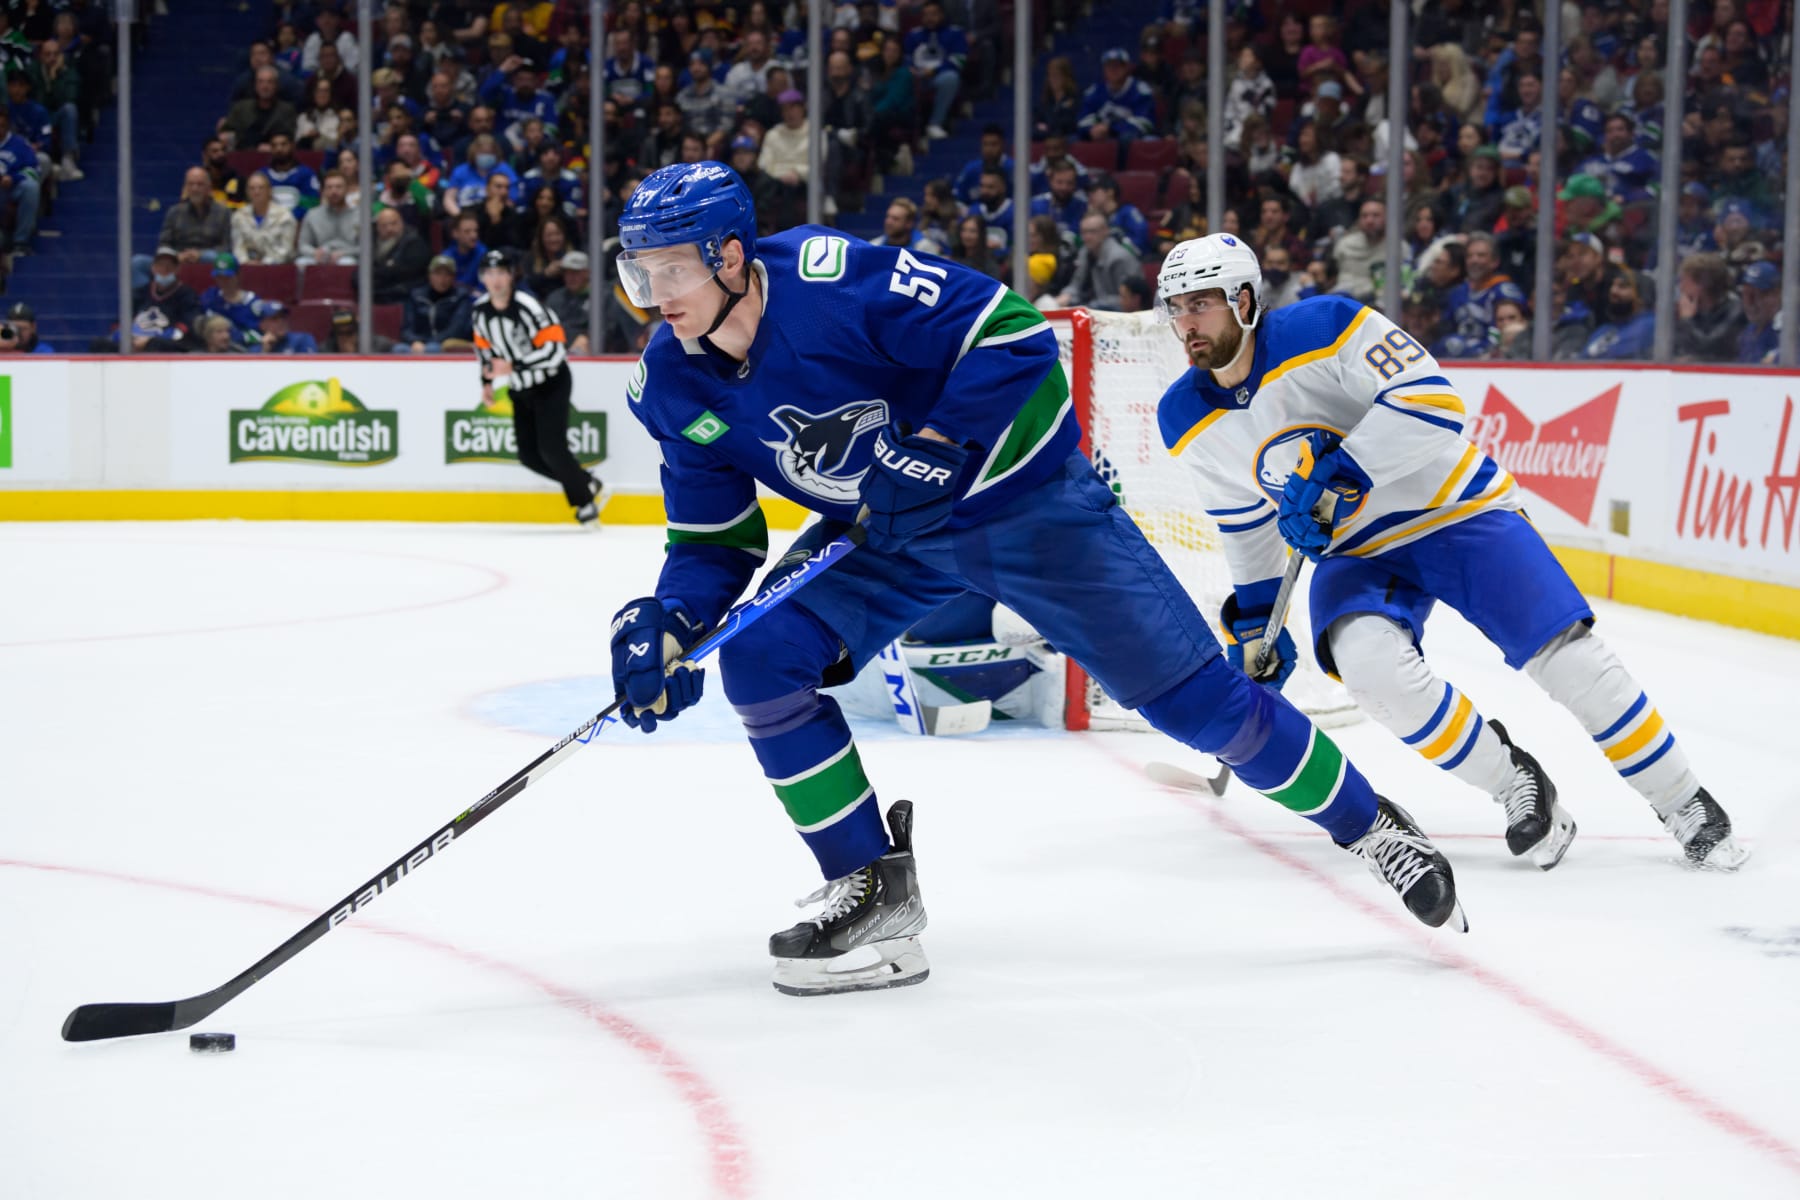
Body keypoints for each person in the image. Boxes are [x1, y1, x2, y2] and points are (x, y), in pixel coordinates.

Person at [607, 163, 1469, 1001]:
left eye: (672, 268)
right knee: (760, 660)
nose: (656, 292)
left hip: (1029, 508)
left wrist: (940, 447)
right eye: (639, 272)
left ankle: (1373, 826)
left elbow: (1013, 332)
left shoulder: (835, 282)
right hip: (893, 535)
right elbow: (713, 539)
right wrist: (671, 620)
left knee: (1201, 708)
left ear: (729, 255)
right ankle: (873, 891)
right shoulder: (671, 382)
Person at [1154, 234, 1746, 873]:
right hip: (1359, 553)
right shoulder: (1183, 414)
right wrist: (1257, 617)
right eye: (1176, 308)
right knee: (1371, 673)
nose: (1187, 322)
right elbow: (1243, 521)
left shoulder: (1325, 325)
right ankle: (1515, 782)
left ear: (1244, 300)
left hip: (1456, 509)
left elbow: (1434, 400)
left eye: (1202, 303)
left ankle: (1683, 800)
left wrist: (1343, 470)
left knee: (1568, 661)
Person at [470, 248, 603, 523]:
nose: (496, 279)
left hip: (552, 382)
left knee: (553, 448)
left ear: (511, 276)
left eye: (501, 273)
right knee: (528, 456)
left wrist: (514, 365)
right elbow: (484, 348)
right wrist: (486, 380)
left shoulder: (529, 307)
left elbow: (555, 350)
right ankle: (584, 481)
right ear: (483, 277)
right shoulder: (480, 312)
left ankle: (585, 504)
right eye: (490, 273)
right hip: (520, 388)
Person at [1055, 211, 1140, 310]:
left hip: (1116, 313)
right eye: (1083, 232)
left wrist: (1091, 305)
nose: (1087, 237)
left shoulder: (1118, 257)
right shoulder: (1084, 252)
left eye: (1092, 231)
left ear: (1106, 231)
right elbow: (1076, 284)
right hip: (1091, 307)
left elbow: (1126, 300)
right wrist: (1066, 295)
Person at [1077, 48, 1156, 146]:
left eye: (1117, 66)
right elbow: (1084, 118)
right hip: (1100, 137)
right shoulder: (1095, 91)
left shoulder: (1140, 90)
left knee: (1127, 139)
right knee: (1073, 140)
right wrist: (1091, 129)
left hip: (1128, 139)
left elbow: (1145, 122)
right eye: (1109, 66)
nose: (1113, 70)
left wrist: (1112, 129)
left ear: (1127, 67)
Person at [231, 171, 300, 265]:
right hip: (247, 267)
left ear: (269, 190)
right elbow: (238, 247)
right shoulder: (239, 216)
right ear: (247, 192)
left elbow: (286, 249)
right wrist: (246, 262)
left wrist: (265, 263)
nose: (256, 192)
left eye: (261, 188)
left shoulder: (284, 216)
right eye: (252, 188)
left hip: (278, 268)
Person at [370, 205, 431, 304]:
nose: (389, 229)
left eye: (394, 223)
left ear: (402, 223)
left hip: (404, 297)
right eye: (384, 225)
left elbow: (404, 273)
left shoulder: (414, 242)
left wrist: (380, 274)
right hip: (376, 295)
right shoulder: (370, 244)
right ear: (377, 227)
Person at [0, 106, 41, 253]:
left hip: (11, 188)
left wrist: (13, 178)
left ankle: (21, 241)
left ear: (8, 125)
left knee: (31, 187)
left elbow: (33, 170)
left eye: (2, 126)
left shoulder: (19, 143)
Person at [198, 252, 262, 338]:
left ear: (238, 275)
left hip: (243, 348)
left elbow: (257, 334)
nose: (223, 281)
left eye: (228, 277)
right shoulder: (210, 297)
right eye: (219, 277)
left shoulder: (252, 302)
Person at [1736, 261, 1780, 365]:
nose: (1750, 302)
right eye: (1746, 294)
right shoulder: (1747, 332)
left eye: (1759, 295)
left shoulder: (1789, 334)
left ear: (1777, 295)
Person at [253, 299, 317, 353]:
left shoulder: (303, 339)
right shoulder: (255, 349)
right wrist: (265, 351)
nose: (281, 321)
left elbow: (310, 366)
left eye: (283, 317)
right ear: (262, 325)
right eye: (274, 318)